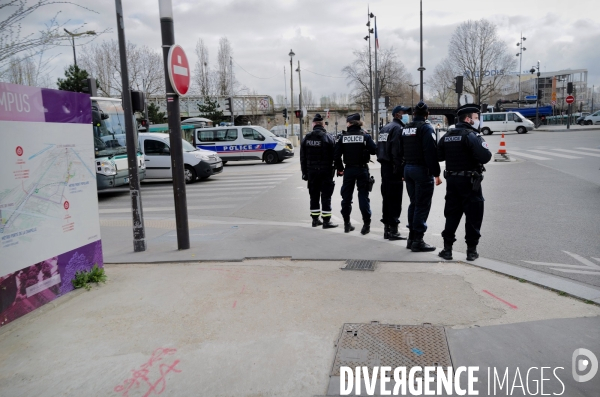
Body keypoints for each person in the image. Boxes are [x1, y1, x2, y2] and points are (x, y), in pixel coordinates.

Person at [437, 104, 492, 261]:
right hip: (470, 182)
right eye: (475, 118)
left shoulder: (447, 135)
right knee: (473, 215)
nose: (477, 121)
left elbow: (439, 156)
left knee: (452, 215)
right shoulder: (471, 136)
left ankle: (447, 250)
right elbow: (485, 157)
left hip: (452, 181)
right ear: (468, 119)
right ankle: (471, 251)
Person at [392, 101, 441, 252]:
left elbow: (399, 152)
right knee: (422, 205)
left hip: (408, 169)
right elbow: (430, 152)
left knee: (413, 203)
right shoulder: (426, 128)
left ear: (413, 114)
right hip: (421, 170)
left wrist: (401, 171)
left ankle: (411, 238)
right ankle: (418, 240)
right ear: (427, 114)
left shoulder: (405, 128)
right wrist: (437, 173)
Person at [334, 113, 377, 234]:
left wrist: (340, 168)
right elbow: (374, 150)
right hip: (362, 169)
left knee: (346, 198)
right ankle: (366, 226)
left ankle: (347, 224)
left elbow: (336, 155)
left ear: (349, 123)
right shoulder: (365, 136)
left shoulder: (343, 137)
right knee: (363, 197)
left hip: (349, 170)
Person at [377, 105, 411, 240]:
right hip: (393, 167)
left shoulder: (385, 128)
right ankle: (393, 230)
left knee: (387, 198)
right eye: (404, 113)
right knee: (395, 199)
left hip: (384, 167)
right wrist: (400, 170)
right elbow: (396, 151)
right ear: (397, 115)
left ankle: (387, 229)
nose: (407, 115)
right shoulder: (398, 129)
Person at [300, 114, 338, 229]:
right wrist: (337, 169)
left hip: (311, 171)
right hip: (325, 171)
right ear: (323, 124)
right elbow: (335, 156)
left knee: (314, 195)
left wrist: (304, 173)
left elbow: (303, 158)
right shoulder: (329, 137)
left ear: (313, 124)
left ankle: (315, 220)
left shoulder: (306, 138)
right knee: (326, 196)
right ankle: (326, 221)